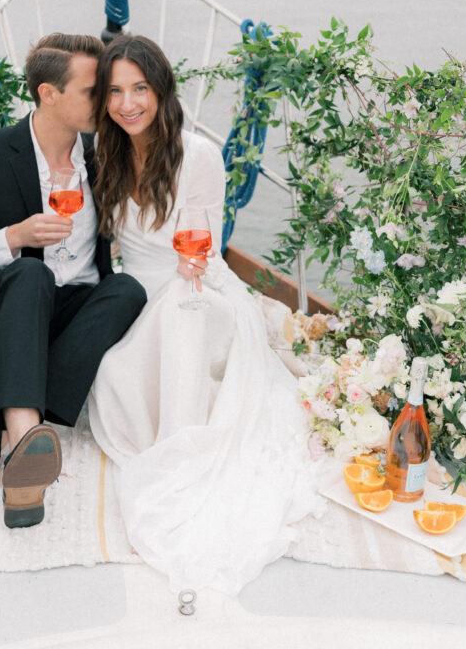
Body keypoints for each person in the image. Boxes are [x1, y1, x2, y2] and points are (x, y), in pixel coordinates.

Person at [88, 35, 325, 595]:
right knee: (113, 375)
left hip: (192, 283)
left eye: (140, 89)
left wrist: (184, 287)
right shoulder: (106, 153)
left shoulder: (197, 154)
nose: (128, 104)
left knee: (182, 315)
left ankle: (185, 443)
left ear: (161, 89)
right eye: (116, 92)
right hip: (132, 288)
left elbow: (198, 249)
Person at [0, 33, 146, 529]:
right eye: (97, 91)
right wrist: (13, 236)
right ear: (49, 94)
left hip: (68, 320)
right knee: (29, 269)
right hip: (0, 321)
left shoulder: (103, 153)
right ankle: (26, 431)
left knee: (127, 290)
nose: (109, 102)